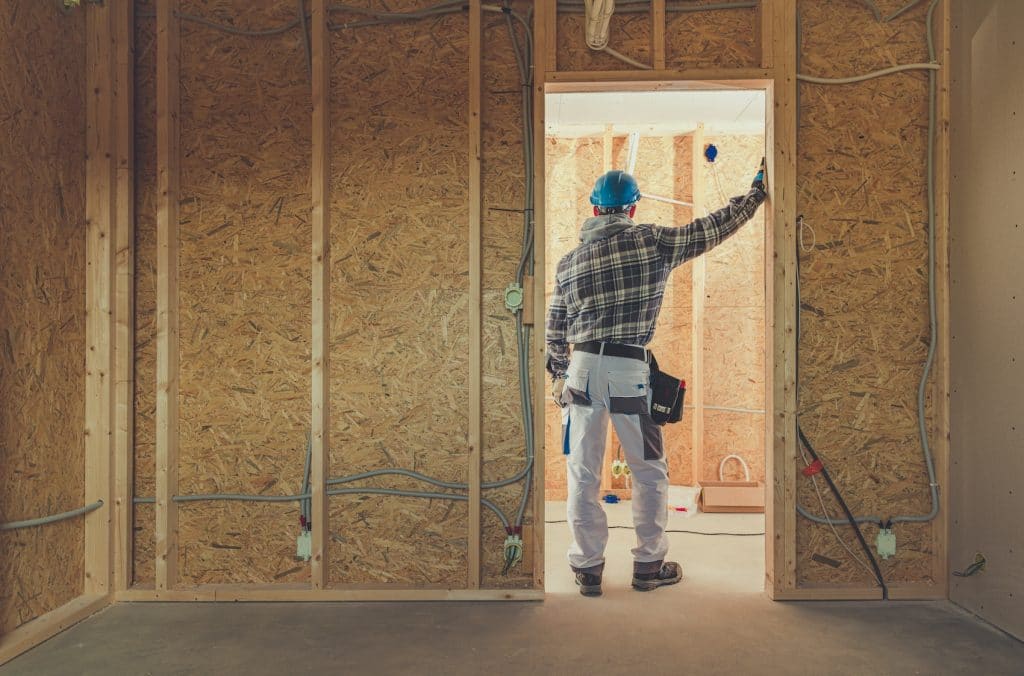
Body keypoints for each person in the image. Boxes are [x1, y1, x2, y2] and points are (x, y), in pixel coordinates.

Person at [546, 162, 767, 597]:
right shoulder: (652, 242)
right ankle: (648, 565)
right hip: (630, 373)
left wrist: (557, 374)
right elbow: (712, 228)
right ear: (631, 209)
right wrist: (755, 192)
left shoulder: (569, 262)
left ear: (594, 208)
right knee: (647, 471)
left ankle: (588, 568)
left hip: (583, 373)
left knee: (583, 473)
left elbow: (555, 329)